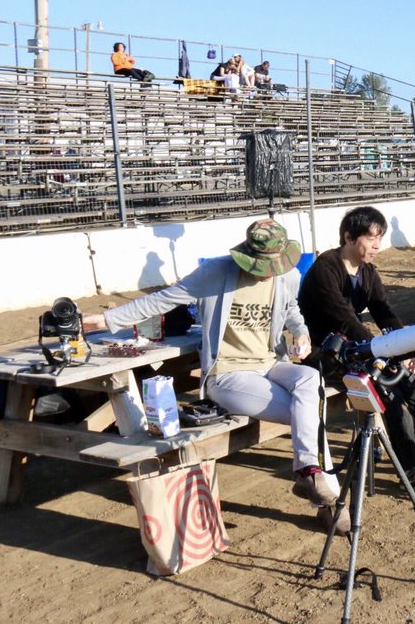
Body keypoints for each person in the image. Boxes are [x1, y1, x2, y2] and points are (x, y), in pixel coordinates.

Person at [79, 219, 343, 527]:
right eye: (262, 265)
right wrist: (104, 320)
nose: (268, 272)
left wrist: (301, 334)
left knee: (310, 381)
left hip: (270, 363)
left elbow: (291, 312)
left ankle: (308, 472)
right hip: (229, 373)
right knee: (310, 412)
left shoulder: (287, 275)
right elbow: (160, 300)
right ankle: (327, 498)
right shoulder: (216, 273)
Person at [298, 206, 415, 496]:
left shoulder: (368, 273)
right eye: (371, 238)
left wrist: (408, 349)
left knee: (406, 372)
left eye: (380, 238)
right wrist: (384, 352)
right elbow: (346, 320)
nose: (377, 245)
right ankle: (413, 470)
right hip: (322, 354)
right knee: (386, 386)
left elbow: (385, 314)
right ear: (349, 238)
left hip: (354, 349)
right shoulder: (325, 269)